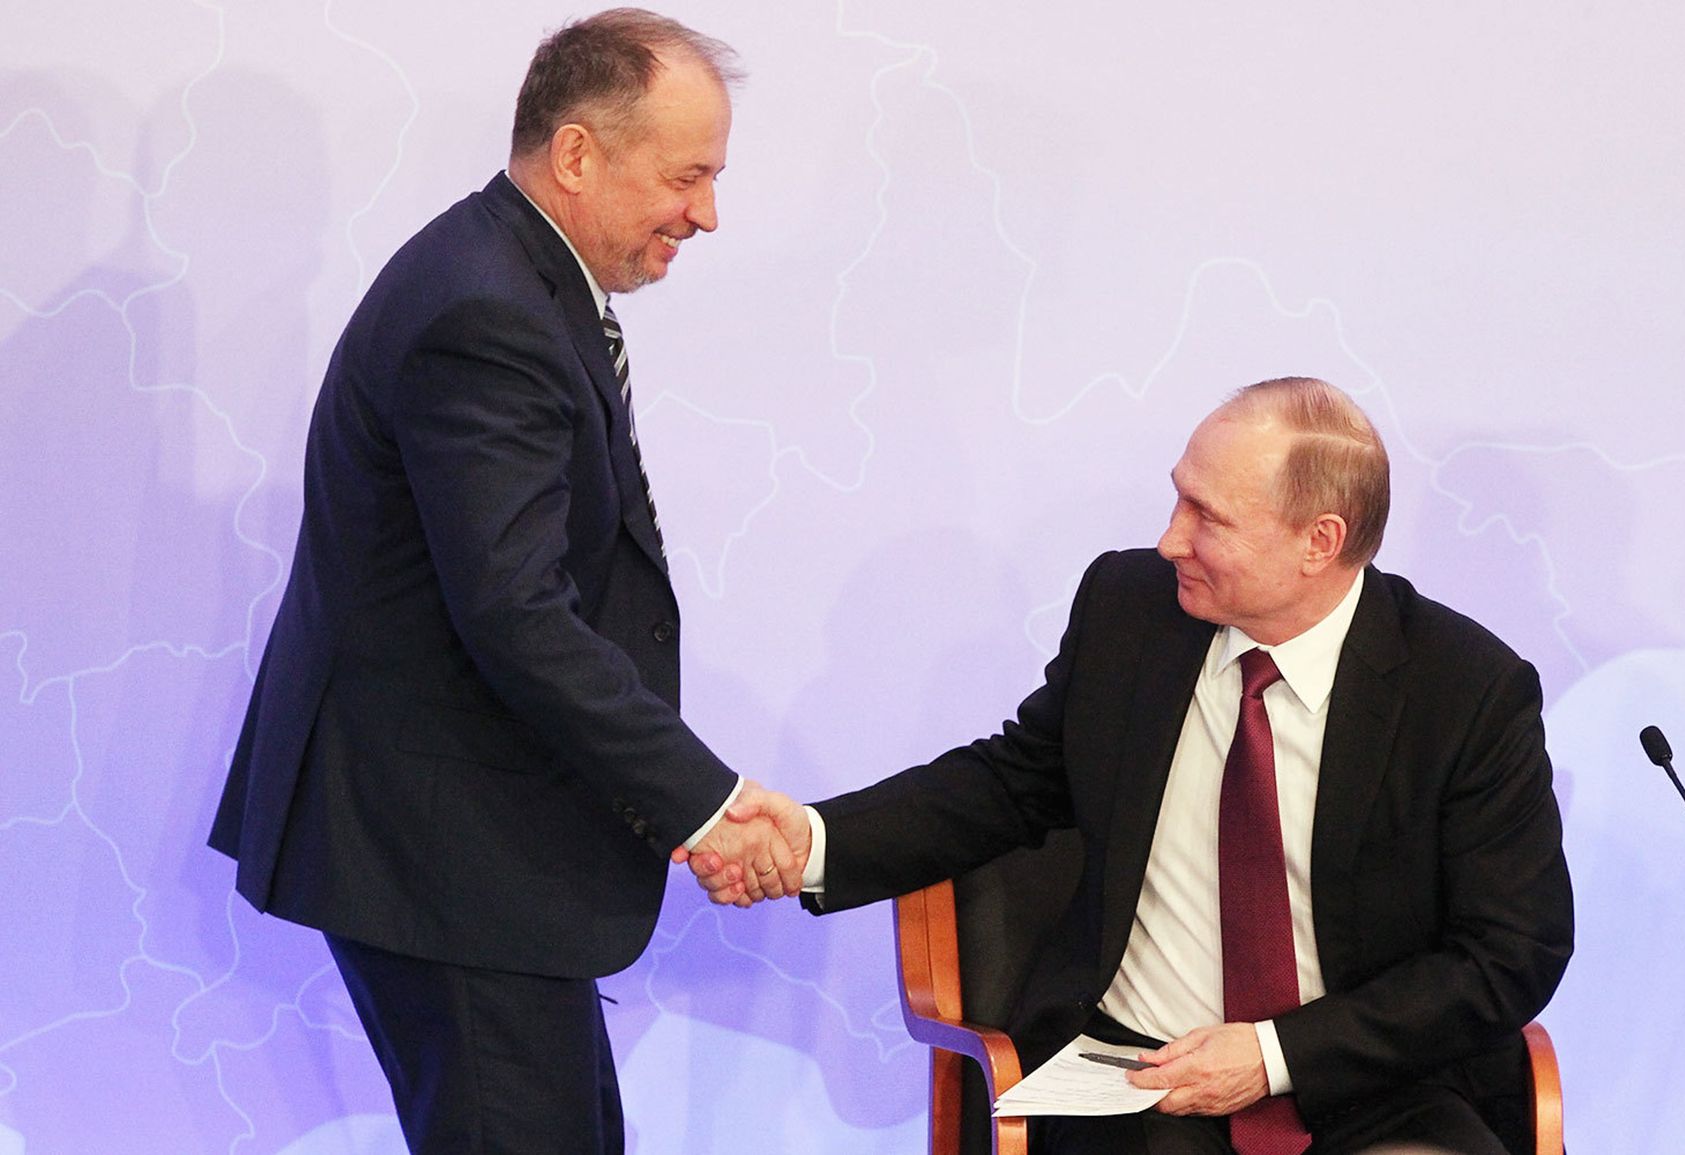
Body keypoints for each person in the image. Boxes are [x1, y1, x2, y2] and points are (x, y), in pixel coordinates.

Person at [208, 10, 809, 1153]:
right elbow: (517, 612)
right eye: (685, 176)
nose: (705, 214)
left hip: (475, 856)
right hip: (449, 861)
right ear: (577, 154)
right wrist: (704, 804)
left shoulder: (512, 276)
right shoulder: (486, 311)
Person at [694, 377, 1572, 1154]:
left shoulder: (1466, 691)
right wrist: (811, 840)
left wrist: (1272, 1055)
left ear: (1319, 541)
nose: (1169, 540)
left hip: (1373, 1081)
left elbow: (1511, 952)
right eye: (1178, 498)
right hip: (1138, 1078)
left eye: (1208, 517)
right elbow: (1012, 780)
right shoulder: (1133, 611)